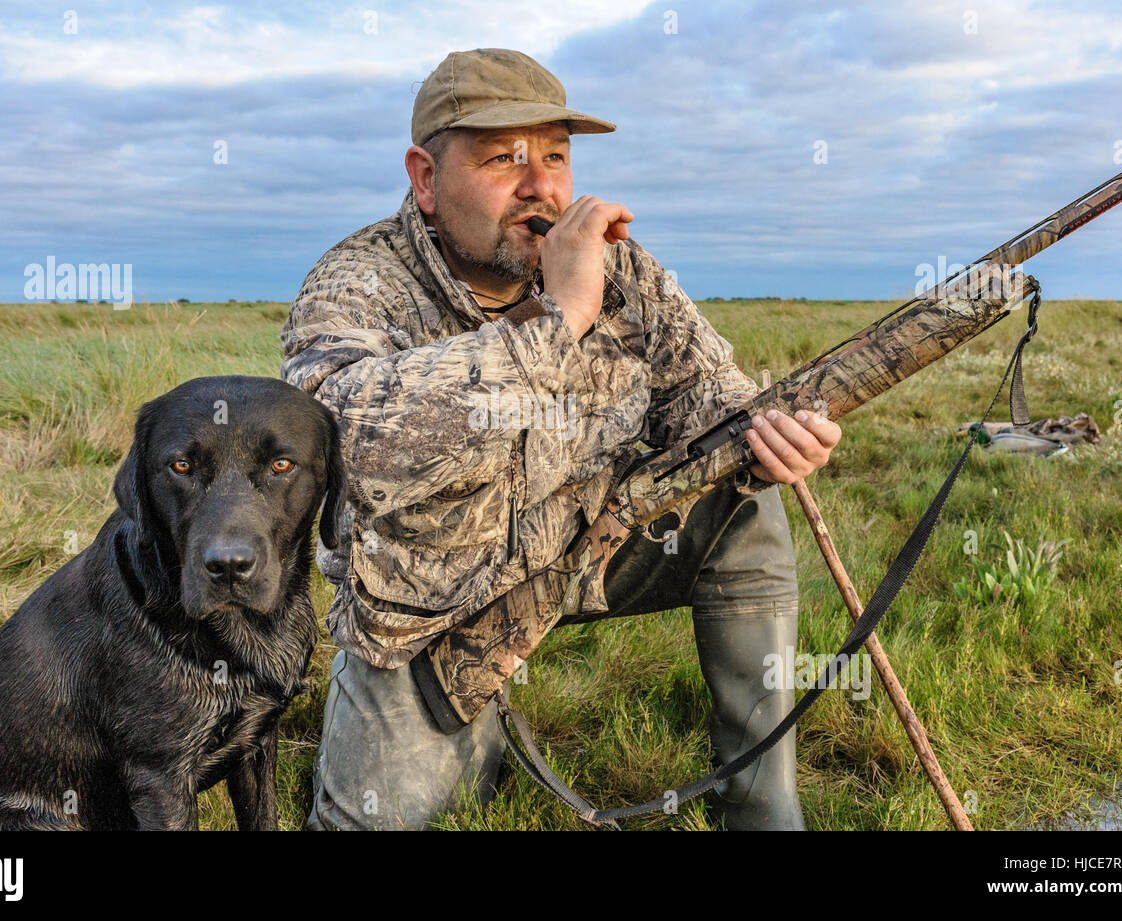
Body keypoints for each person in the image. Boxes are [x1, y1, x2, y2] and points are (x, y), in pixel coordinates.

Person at [280, 48, 841, 830]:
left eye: (554, 155)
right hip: (427, 618)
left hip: (582, 549)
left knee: (740, 499)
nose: (540, 185)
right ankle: (470, 719)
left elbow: (708, 395)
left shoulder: (622, 268)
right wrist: (561, 319)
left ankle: (760, 808)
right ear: (424, 179)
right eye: (502, 158)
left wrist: (771, 430)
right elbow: (346, 453)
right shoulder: (358, 284)